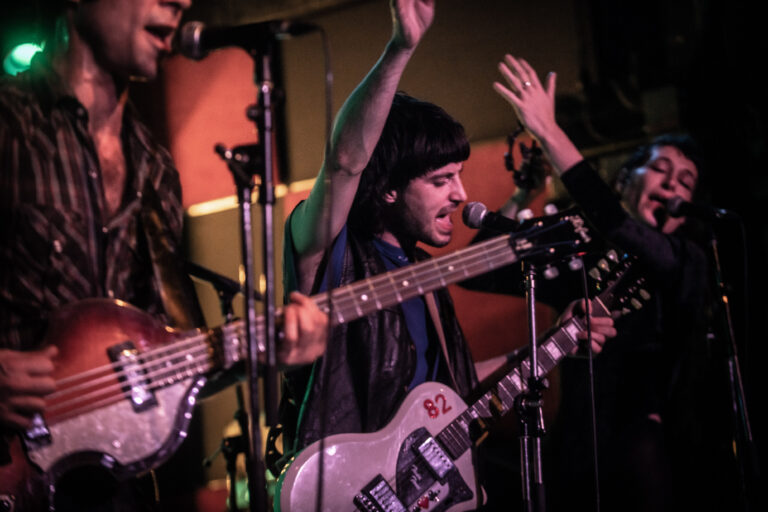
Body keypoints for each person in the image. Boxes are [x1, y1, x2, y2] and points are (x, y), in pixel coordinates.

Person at [273, 3, 615, 509]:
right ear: (387, 188)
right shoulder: (334, 253)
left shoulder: (425, 276)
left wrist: (556, 343)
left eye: (459, 175)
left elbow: (452, 393)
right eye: (440, 180)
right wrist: (401, 47)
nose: (461, 194)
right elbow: (345, 163)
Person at [0, 0, 327, 509]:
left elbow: (168, 363)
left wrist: (268, 350)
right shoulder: (9, 125)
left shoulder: (154, 169)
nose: (181, 2)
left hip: (111, 493)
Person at [491, 54, 735, 511]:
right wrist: (524, 194)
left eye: (686, 181)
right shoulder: (583, 245)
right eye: (661, 169)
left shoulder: (688, 261)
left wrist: (550, 130)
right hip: (576, 452)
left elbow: (617, 223)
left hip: (654, 454)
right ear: (626, 178)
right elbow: (487, 269)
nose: (673, 185)